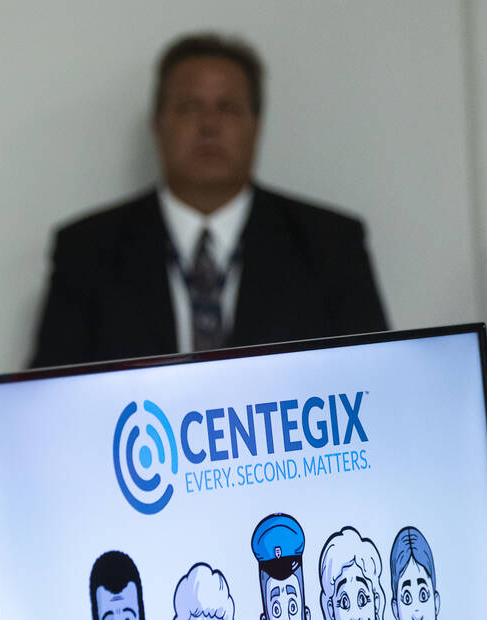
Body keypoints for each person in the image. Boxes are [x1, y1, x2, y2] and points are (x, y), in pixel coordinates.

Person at [29, 32, 387, 368]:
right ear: (158, 125)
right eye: (188, 107)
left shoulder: (331, 245)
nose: (209, 126)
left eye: (228, 108)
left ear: (257, 126)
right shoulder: (87, 250)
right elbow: (48, 396)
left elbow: (376, 381)